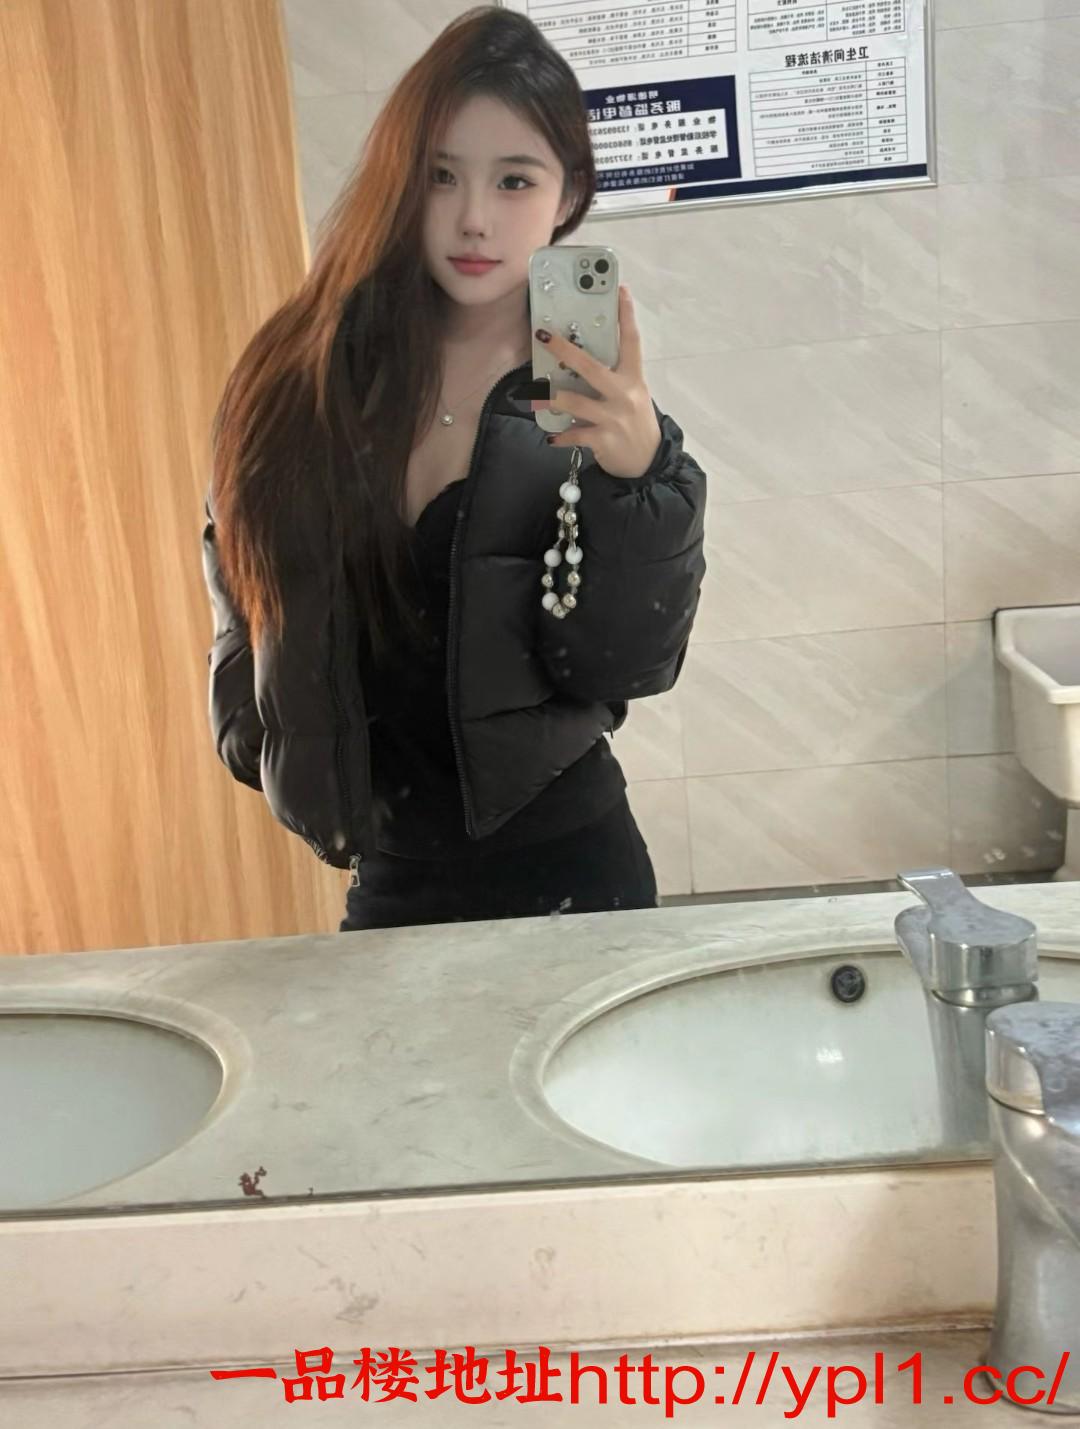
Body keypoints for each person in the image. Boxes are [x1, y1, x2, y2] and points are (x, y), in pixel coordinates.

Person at [201, 6, 707, 932]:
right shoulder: (307, 375)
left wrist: (639, 482)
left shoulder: (593, 402)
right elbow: (243, 587)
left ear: (568, 192)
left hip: (575, 870)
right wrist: (264, 739)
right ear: (401, 180)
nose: (474, 218)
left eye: (514, 179)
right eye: (441, 176)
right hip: (392, 873)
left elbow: (623, 664)